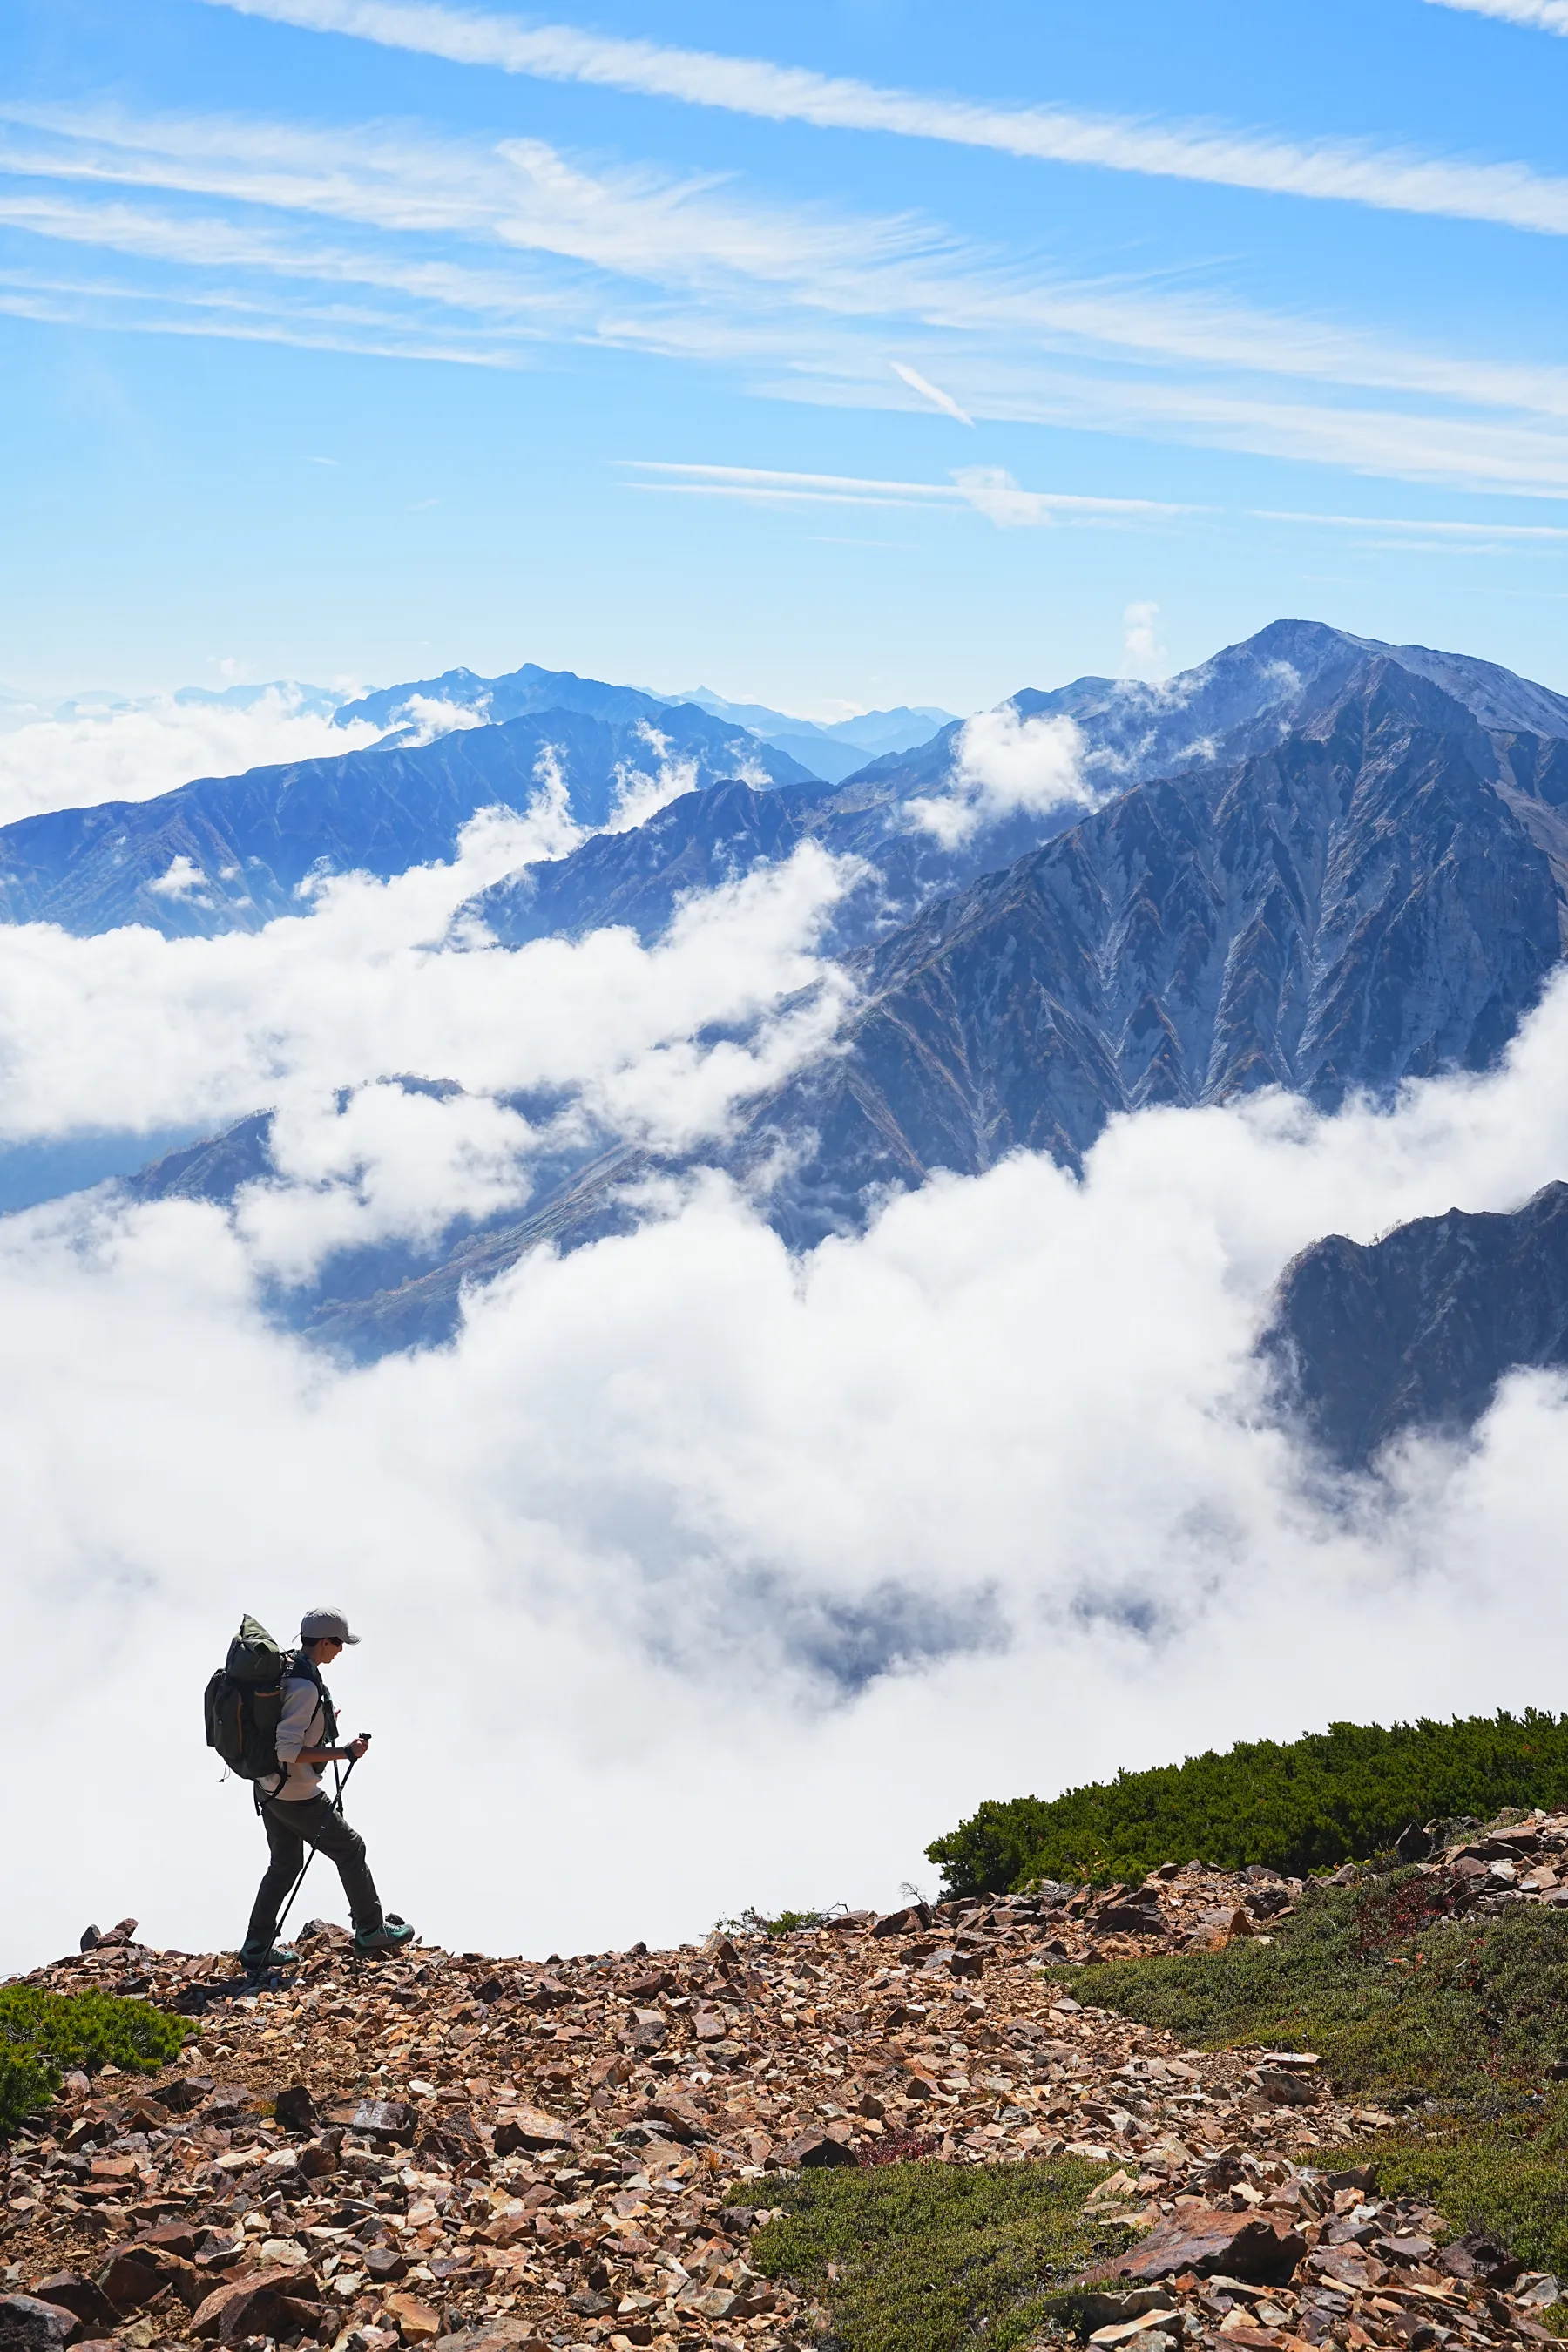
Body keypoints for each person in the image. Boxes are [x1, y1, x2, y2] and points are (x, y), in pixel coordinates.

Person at [240, 1606, 415, 1976]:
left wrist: (321, 1727)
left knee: (285, 1864)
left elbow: (285, 1732)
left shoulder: (288, 1669)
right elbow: (287, 1749)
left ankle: (256, 1947)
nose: (341, 1650)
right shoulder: (304, 1685)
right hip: (296, 1792)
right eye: (338, 1643)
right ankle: (370, 1929)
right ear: (324, 1641)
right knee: (351, 1848)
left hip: (268, 1787)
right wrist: (344, 1753)